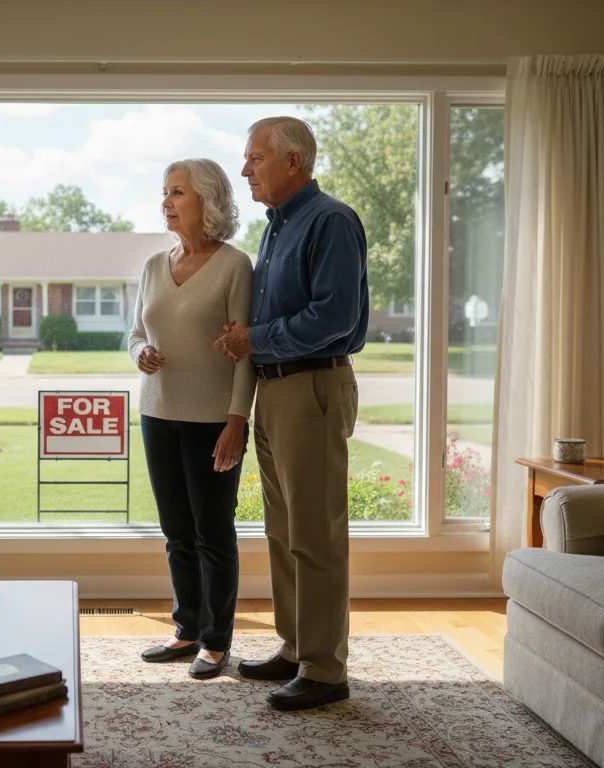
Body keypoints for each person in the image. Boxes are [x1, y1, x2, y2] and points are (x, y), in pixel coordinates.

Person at [214, 116, 369, 711]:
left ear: (293, 161)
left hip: (312, 390)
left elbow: (335, 319)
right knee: (283, 533)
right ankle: (296, 646)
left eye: (254, 158)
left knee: (316, 535)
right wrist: (248, 341)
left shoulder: (329, 220)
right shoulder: (278, 227)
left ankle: (327, 669)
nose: (246, 169)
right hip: (276, 389)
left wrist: (255, 339)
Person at [129, 158, 255, 680]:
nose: (166, 201)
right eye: (164, 192)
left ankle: (216, 640)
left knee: (212, 532)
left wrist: (236, 420)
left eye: (177, 192)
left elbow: (245, 352)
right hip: (156, 412)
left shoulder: (234, 266)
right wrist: (140, 353)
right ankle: (186, 629)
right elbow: (136, 332)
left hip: (212, 419)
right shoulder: (154, 266)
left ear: (207, 201)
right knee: (176, 531)